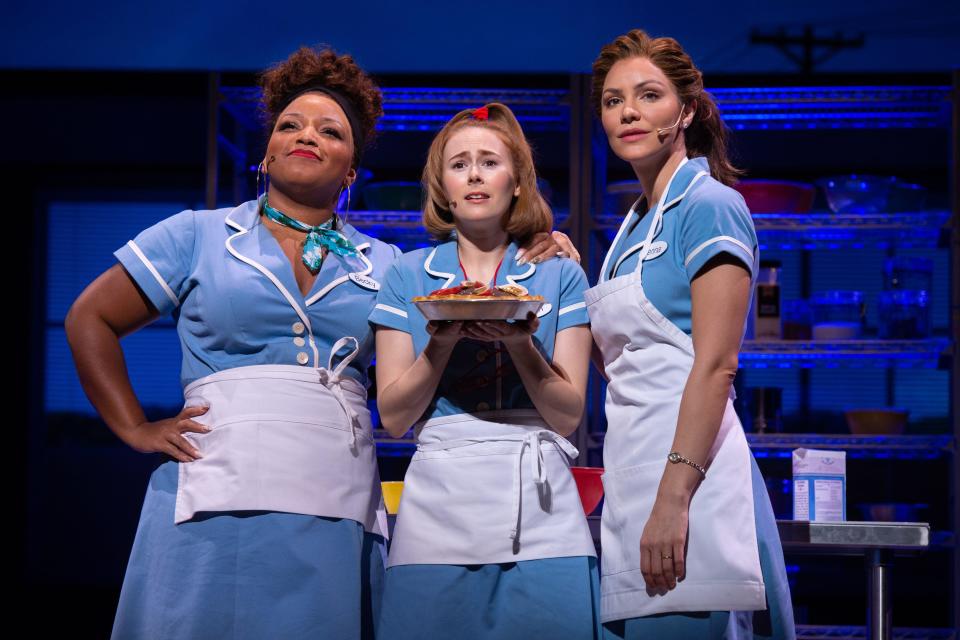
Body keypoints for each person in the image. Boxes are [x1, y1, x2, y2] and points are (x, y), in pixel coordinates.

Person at [66, 46, 396, 639]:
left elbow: (470, 287)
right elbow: (89, 318)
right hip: (213, 495)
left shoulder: (388, 265)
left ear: (351, 171)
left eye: (330, 130)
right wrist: (135, 427)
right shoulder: (198, 234)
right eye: (289, 125)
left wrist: (538, 242)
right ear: (266, 154)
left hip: (334, 500)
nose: (306, 136)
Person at [584, 30, 795, 639]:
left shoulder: (710, 205)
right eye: (612, 99)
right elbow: (623, 368)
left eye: (648, 95)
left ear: (687, 110)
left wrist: (673, 499)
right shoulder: (631, 228)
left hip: (689, 486)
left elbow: (717, 365)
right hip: (635, 474)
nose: (627, 112)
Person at [370, 103, 601, 639]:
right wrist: (441, 341)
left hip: (542, 497)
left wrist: (522, 343)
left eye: (490, 162)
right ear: (441, 187)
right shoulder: (407, 275)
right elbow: (395, 416)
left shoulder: (558, 271)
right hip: (439, 498)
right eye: (459, 164)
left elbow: (567, 417)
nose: (474, 174)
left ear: (517, 182)